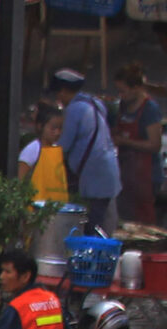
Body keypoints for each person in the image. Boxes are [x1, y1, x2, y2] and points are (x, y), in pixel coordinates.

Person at [56, 68, 123, 229]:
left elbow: (63, 146)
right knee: (105, 222)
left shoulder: (74, 109)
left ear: (64, 91)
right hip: (108, 171)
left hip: (95, 175)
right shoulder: (95, 103)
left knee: (93, 225)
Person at [117, 65, 162, 226]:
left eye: (123, 91)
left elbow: (155, 144)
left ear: (136, 88)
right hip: (127, 174)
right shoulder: (123, 106)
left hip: (147, 176)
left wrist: (125, 142)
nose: (120, 95)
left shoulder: (150, 109)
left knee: (145, 225)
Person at [20, 105, 71, 203]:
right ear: (40, 126)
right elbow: (20, 178)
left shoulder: (57, 149)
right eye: (53, 128)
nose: (57, 132)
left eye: (60, 128)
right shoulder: (33, 149)